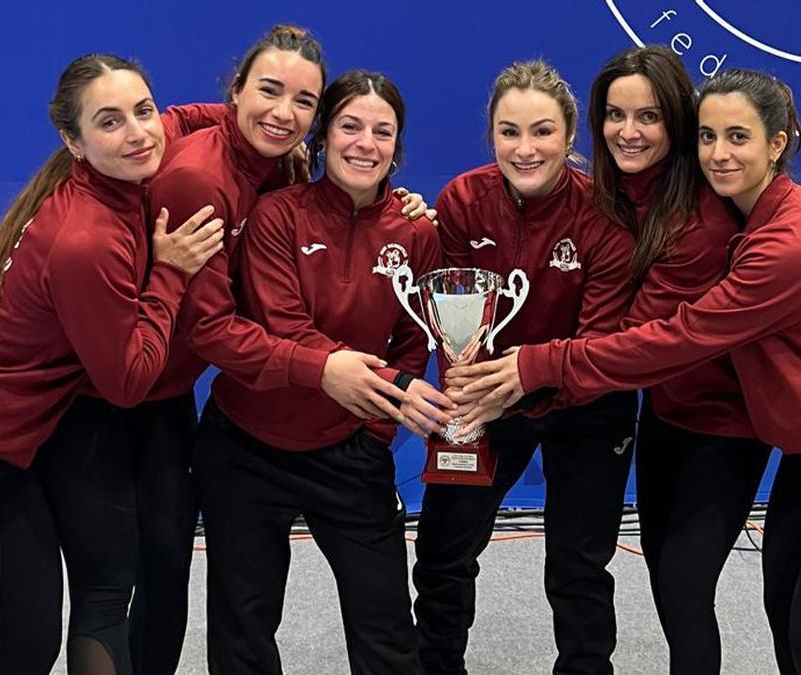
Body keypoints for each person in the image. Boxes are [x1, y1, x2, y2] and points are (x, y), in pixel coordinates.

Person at [452, 68, 801, 675]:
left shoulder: (771, 239)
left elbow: (674, 337)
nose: (718, 152)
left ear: (778, 142)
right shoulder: (665, 202)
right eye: (709, 135)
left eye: (737, 136)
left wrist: (540, 364)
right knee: (777, 621)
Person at [37, 27, 431, 675]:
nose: (284, 111)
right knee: (131, 582)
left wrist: (375, 421)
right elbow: (211, 328)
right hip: (128, 401)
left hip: (230, 417)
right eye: (269, 91)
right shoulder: (204, 182)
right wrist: (329, 370)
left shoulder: (285, 164)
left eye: (302, 100)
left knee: (173, 574)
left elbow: (414, 330)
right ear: (238, 89)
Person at [0, 53, 226, 674]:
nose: (138, 132)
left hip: (9, 459)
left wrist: (275, 130)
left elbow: (188, 117)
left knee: (30, 647)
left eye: (142, 110)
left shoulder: (118, 166)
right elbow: (129, 382)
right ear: (73, 141)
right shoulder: (87, 239)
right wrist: (171, 272)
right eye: (110, 122)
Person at [196, 69, 452, 675]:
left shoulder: (416, 231)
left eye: (382, 132)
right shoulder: (276, 215)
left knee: (387, 628)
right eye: (350, 126)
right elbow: (285, 329)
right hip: (246, 448)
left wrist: (378, 427)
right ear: (322, 137)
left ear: (398, 146)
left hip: (348, 449)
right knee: (243, 626)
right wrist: (384, 385)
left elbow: (418, 339)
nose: (366, 143)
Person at [414, 60, 636, 675]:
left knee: (578, 565)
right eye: (509, 132)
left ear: (570, 136)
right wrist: (471, 393)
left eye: (542, 131)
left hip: (586, 401)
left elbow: (603, 340)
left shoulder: (604, 211)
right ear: (492, 136)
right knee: (441, 552)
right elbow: (453, 324)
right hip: (486, 400)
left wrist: (526, 383)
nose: (525, 147)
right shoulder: (463, 199)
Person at [588, 46, 772, 674]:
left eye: (649, 117)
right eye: (616, 115)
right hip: (666, 420)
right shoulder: (619, 194)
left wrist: (530, 368)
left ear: (675, 122)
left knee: (685, 589)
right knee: (670, 586)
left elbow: (637, 340)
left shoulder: (701, 218)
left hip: (725, 429)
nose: (629, 131)